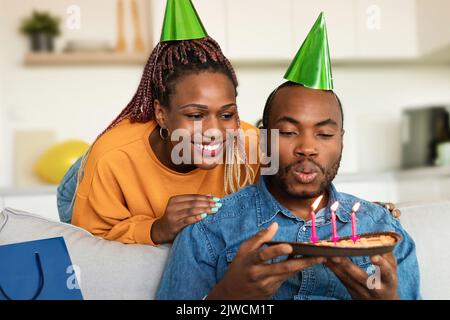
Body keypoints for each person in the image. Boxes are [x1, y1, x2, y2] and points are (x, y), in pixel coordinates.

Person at [156, 13, 420, 300]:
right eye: (288, 132)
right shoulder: (206, 231)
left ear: (341, 141)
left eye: (324, 134)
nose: (307, 147)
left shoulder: (382, 230)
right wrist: (228, 295)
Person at [61, 0, 259, 245]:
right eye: (196, 116)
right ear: (161, 113)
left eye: (227, 115)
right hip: (86, 183)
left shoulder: (251, 146)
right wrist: (156, 228)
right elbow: (90, 245)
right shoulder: (112, 157)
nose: (215, 131)